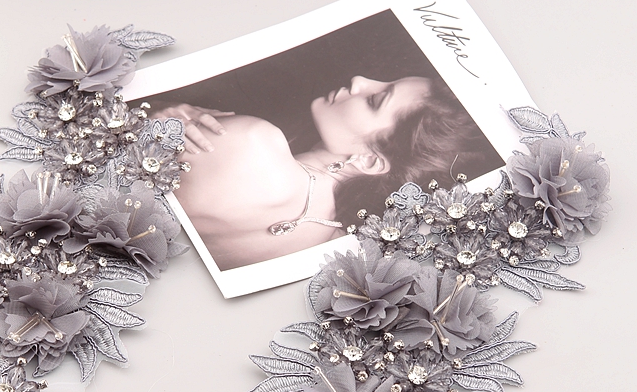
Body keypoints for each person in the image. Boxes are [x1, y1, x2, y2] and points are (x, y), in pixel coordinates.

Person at [155, 75, 490, 271]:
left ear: (370, 161)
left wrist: (158, 114)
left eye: (375, 99)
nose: (360, 81)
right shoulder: (338, 245)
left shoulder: (255, 144)